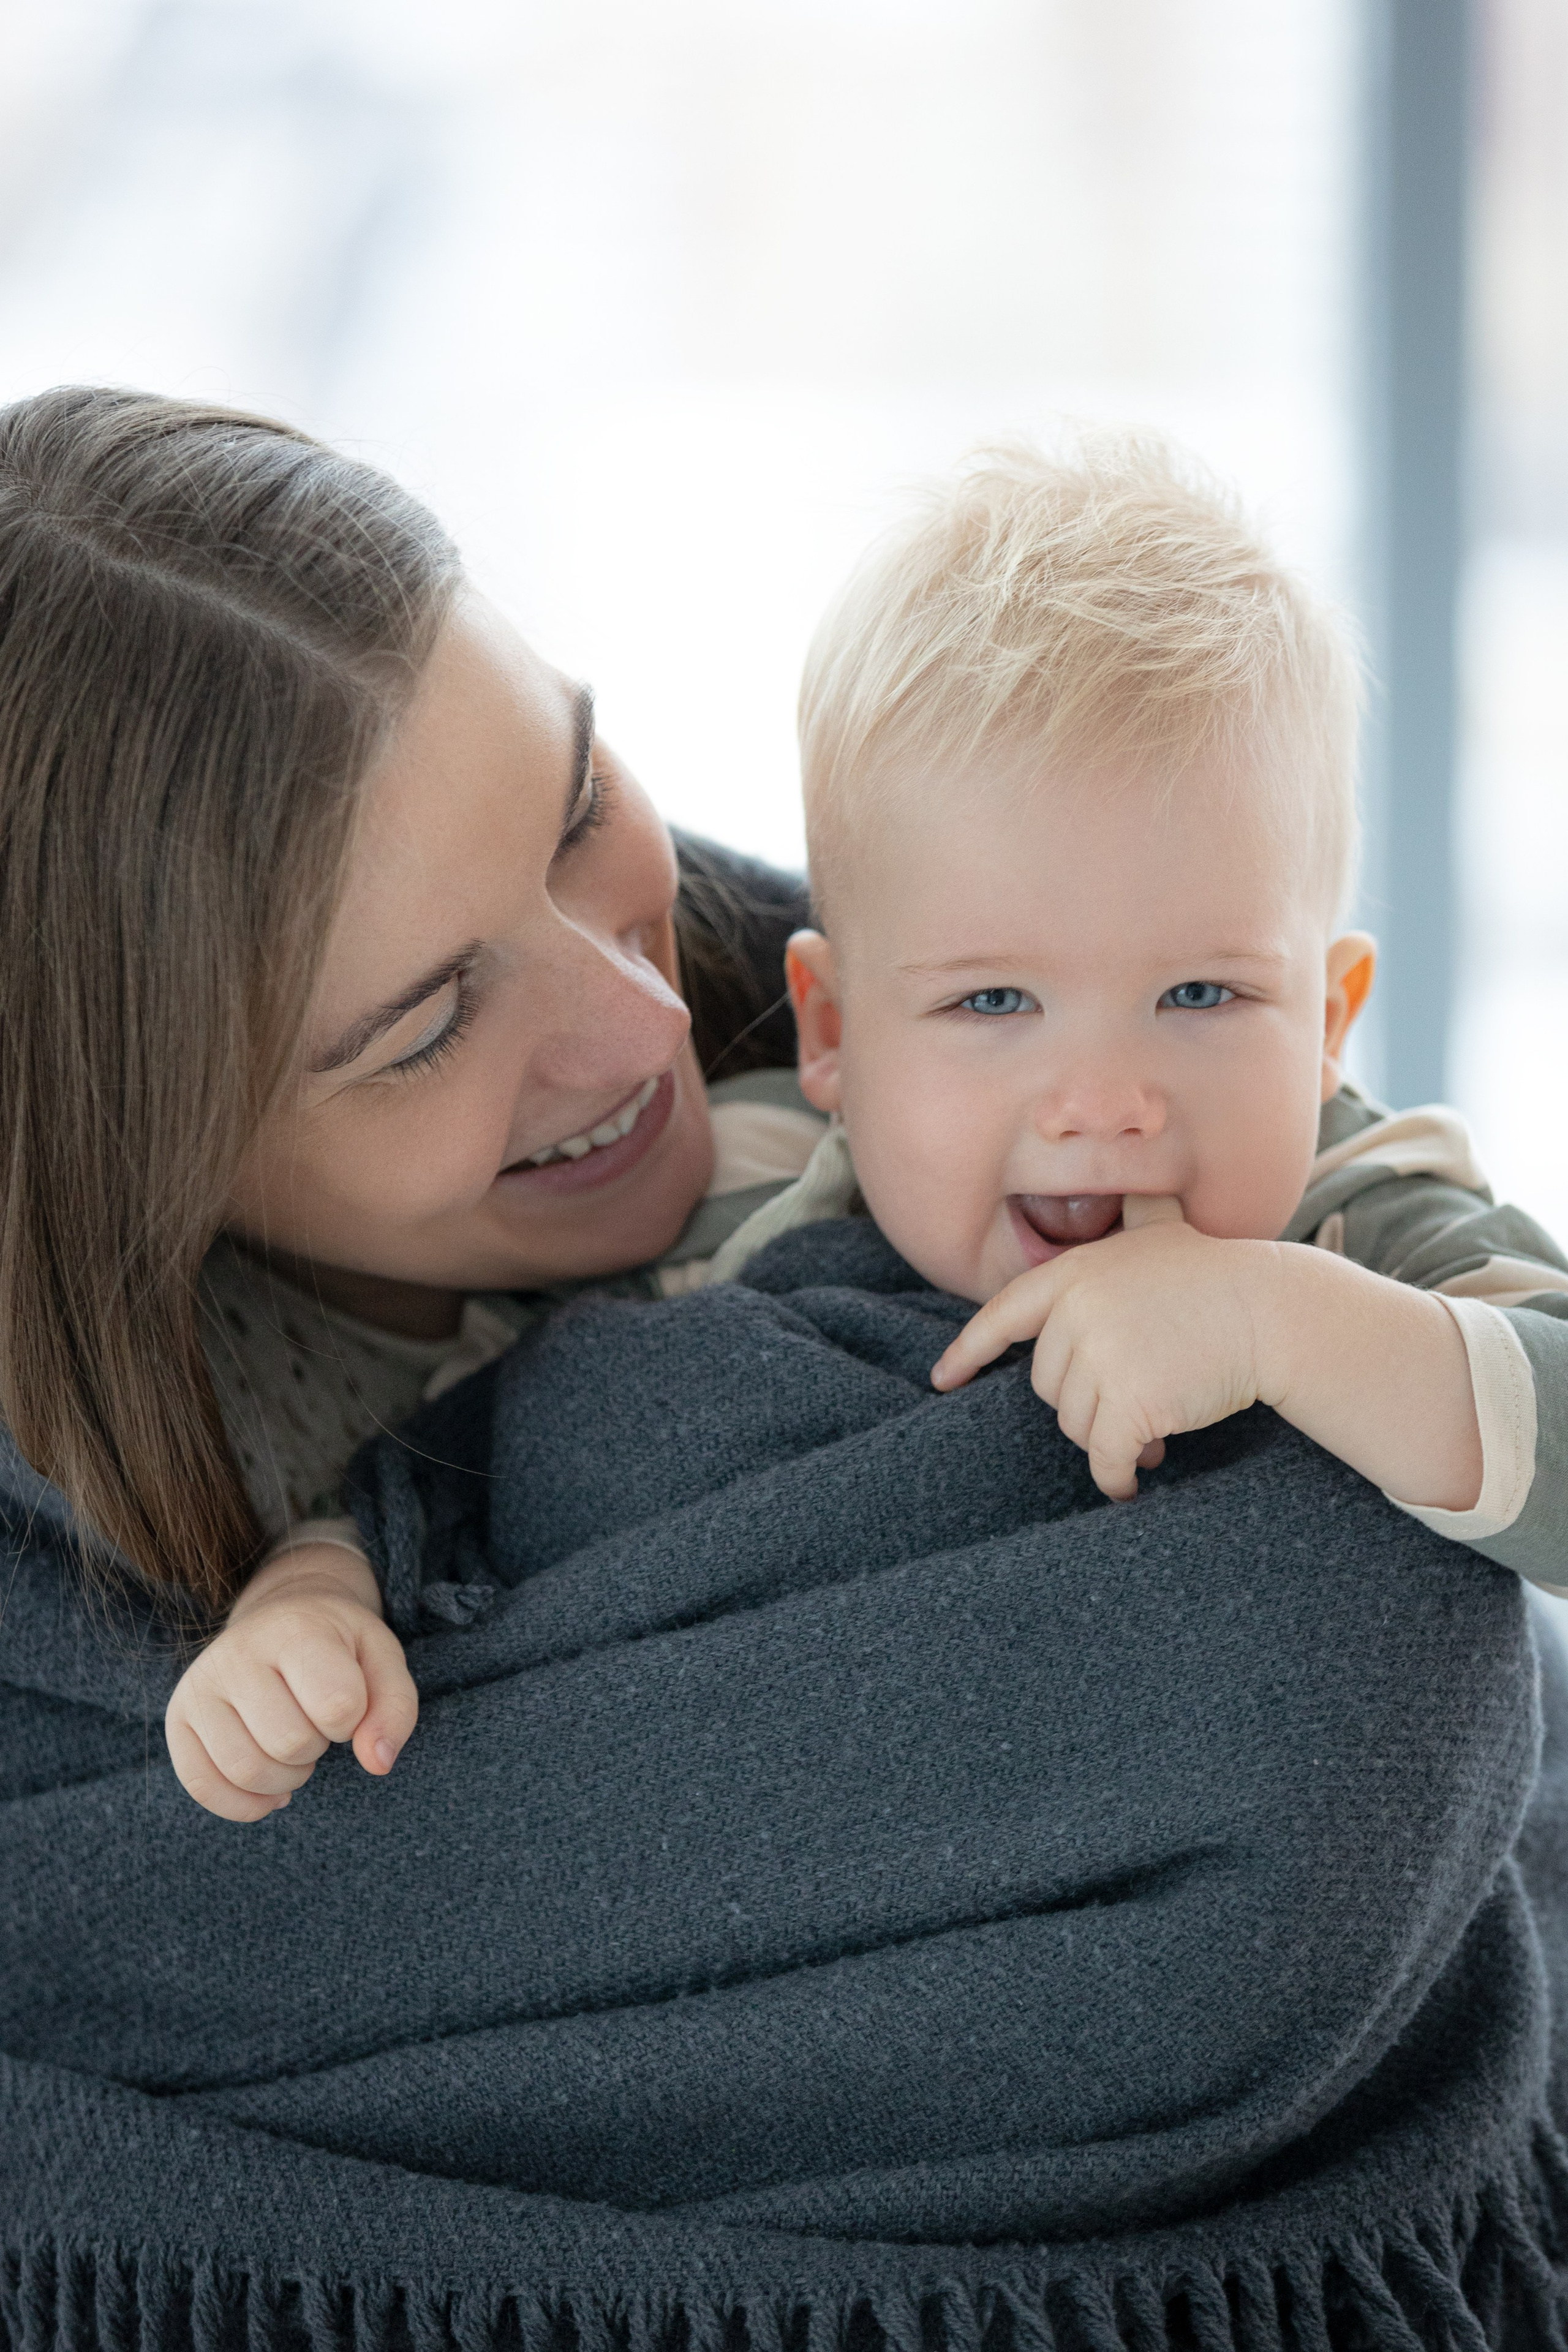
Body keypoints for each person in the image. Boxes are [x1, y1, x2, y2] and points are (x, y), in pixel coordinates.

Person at [168, 433, 1568, 1820]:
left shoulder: (1357, 1203)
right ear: (832, 1032)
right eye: (993, 1001)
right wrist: (312, 1598)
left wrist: (1285, 1326)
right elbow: (454, 1459)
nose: (1099, 1104)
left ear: (1328, 1021)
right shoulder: (747, 1193)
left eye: (1200, 993)